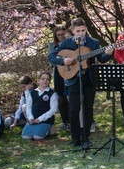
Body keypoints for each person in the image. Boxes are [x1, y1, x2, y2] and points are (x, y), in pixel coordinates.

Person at [48, 18, 114, 147]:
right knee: (74, 109)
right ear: (73, 31)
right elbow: (51, 57)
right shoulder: (67, 43)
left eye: (83, 30)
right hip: (73, 79)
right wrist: (63, 60)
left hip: (89, 79)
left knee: (88, 108)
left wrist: (109, 53)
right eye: (78, 31)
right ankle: (75, 137)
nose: (81, 33)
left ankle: (86, 137)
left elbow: (101, 58)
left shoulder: (93, 43)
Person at [22, 72, 59, 140]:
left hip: (45, 119)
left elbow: (54, 109)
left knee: (37, 137)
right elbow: (28, 107)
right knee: (26, 137)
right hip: (33, 119)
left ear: (49, 81)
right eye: (43, 79)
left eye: (47, 79)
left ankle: (50, 129)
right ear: (38, 81)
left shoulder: (52, 93)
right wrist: (30, 118)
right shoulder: (32, 93)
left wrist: (40, 119)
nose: (45, 80)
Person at [48, 25, 70, 131]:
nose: (61, 37)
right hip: (58, 72)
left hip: (70, 71)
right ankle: (64, 121)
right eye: (58, 35)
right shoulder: (52, 45)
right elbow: (51, 59)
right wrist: (61, 60)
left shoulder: (69, 43)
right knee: (61, 98)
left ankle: (71, 121)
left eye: (63, 34)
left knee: (70, 98)